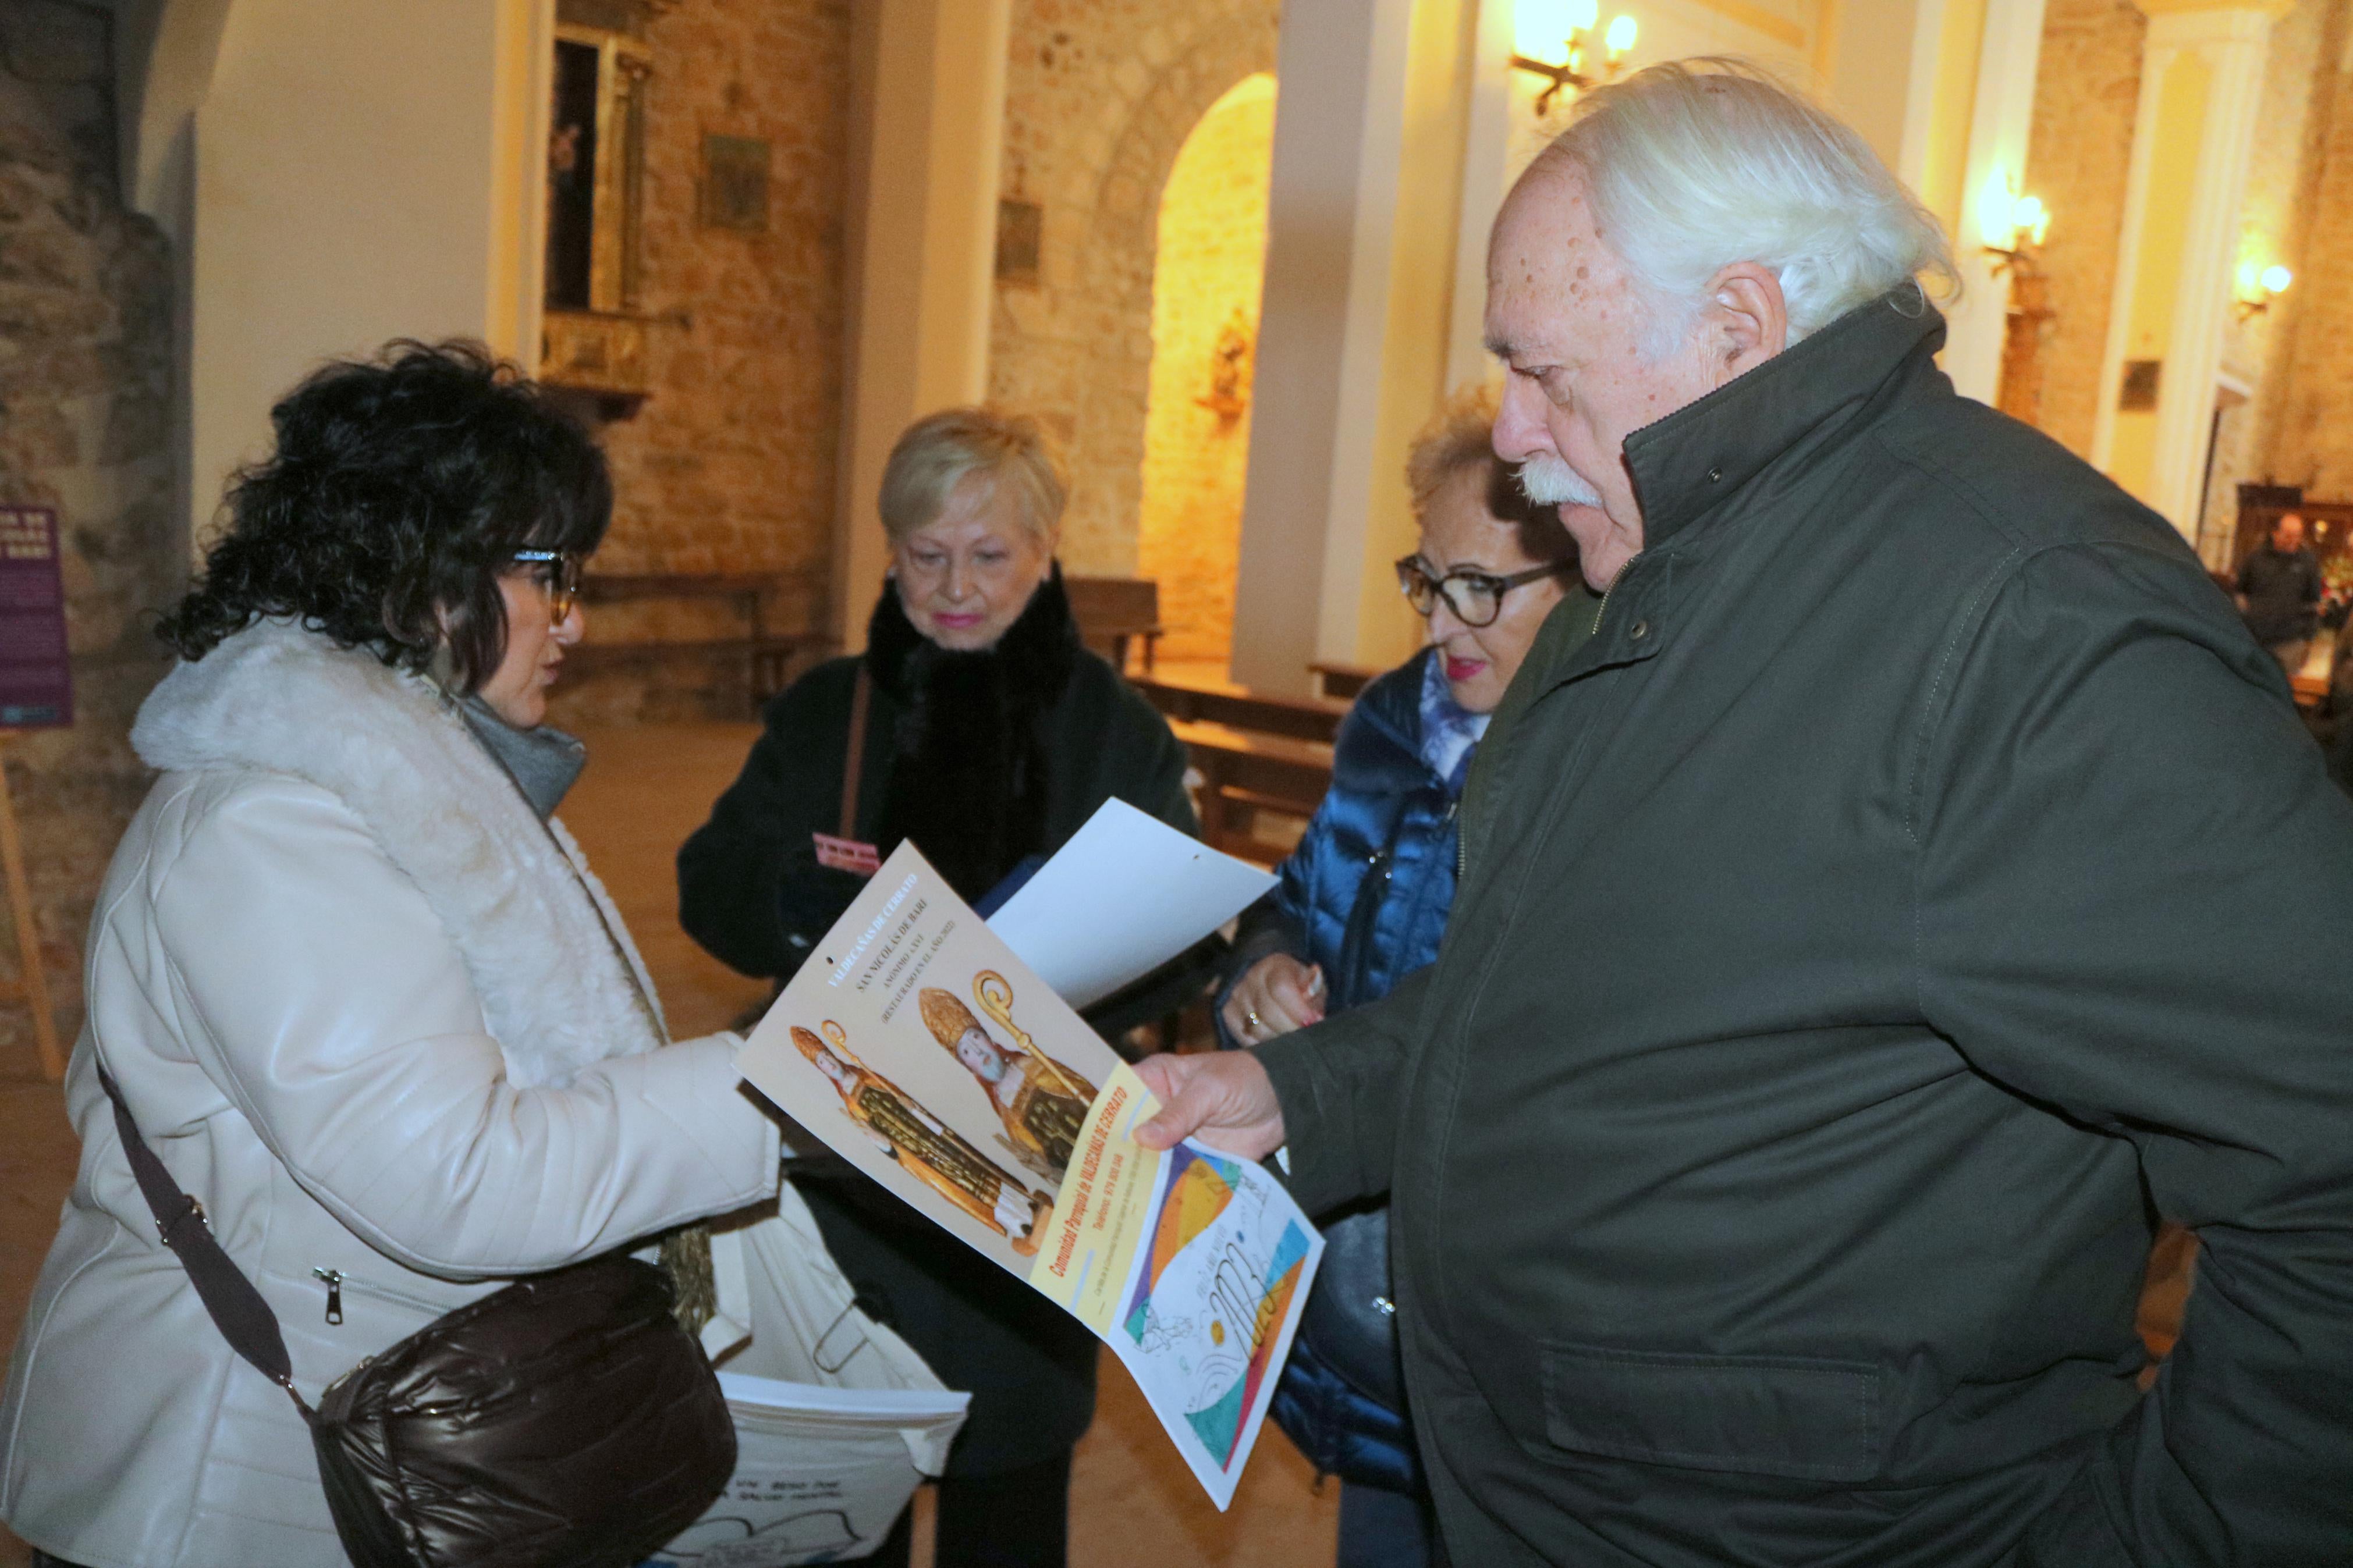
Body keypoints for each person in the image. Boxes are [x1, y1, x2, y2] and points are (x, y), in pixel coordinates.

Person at [1135, 61, 2353, 1567]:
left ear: (1737, 330)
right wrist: (1302, 1095)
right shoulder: (1630, 582)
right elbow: (1561, 984)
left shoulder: (2030, 630)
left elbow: (2328, 1155)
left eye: (1546, 372)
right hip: (1544, 1494)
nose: (1508, 437)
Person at [0, 342, 787, 1568]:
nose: (571, 616)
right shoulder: (271, 826)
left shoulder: (415, 776)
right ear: (426, 573)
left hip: (368, 1404)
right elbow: (453, 1176)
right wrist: (772, 1089)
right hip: (235, 1463)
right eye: (548, 573)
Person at [678, 406, 1196, 1568]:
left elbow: (1187, 936)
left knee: (1005, 1515)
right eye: (926, 557)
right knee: (842, 1513)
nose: (955, 588)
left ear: (1045, 551)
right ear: (891, 552)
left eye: (988, 555)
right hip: (847, 1192)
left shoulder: (1115, 731)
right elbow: (704, 887)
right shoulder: (830, 710)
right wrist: (792, 909)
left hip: (1024, 1200)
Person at [1215, 386, 1580, 1568]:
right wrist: (1263, 964)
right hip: (1348, 1237)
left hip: (1495, 1278)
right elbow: (1296, 887)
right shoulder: (1385, 721)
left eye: (1482, 586)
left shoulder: (1595, 762)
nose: (1442, 623)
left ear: (1581, 574)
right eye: (1426, 580)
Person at [791, 1023, 1050, 1251]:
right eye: (822, 1063)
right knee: (968, 1186)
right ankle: (1019, 1223)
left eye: (827, 1056)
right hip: (920, 1153)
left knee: (979, 1168)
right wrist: (882, 1143)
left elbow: (901, 1098)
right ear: (822, 1070)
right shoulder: (850, 1105)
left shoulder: (865, 1075)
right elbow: (883, 1142)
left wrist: (913, 1109)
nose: (829, 1063)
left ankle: (1026, 1206)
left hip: (932, 1134)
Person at [920, 986, 1097, 1186]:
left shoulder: (1035, 1065)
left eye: (976, 1038)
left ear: (989, 1039)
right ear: (968, 1066)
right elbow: (1052, 1170)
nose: (978, 1051)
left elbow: (1085, 1091)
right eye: (967, 1052)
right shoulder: (1007, 1116)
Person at [2235, 510, 2323, 674]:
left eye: (2297, 536)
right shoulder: (2256, 558)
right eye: (2288, 535)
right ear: (2276, 534)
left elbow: (2314, 602)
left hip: (2290, 643)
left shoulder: (2308, 563)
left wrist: (2306, 640)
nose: (2293, 540)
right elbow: (2240, 592)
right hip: (2255, 638)